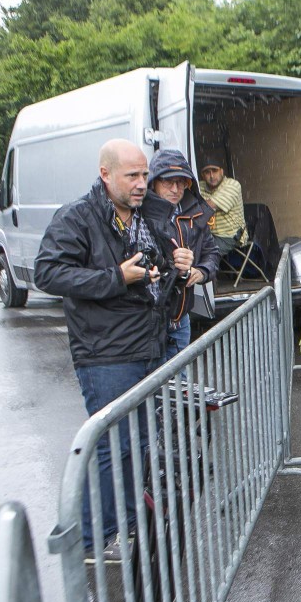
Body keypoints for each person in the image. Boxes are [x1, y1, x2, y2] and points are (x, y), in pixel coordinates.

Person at [34, 139, 193, 561]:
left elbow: (150, 271)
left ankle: (122, 526)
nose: (143, 184)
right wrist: (115, 277)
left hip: (148, 345)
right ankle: (93, 539)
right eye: (133, 176)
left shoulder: (147, 215)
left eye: (145, 175)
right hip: (105, 353)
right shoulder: (77, 216)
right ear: (106, 174)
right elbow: (47, 273)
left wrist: (173, 266)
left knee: (135, 444)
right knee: (111, 446)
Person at [148, 149, 220, 359]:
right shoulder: (140, 213)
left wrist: (201, 271)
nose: (175, 189)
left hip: (181, 319)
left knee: (180, 387)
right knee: (151, 386)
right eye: (167, 182)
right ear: (154, 182)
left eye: (181, 182)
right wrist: (173, 264)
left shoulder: (195, 212)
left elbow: (212, 253)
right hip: (150, 323)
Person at [199, 160, 246, 255]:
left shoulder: (232, 185)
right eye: (207, 172)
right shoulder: (199, 185)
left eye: (215, 171)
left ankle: (204, 269)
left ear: (221, 171)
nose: (212, 176)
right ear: (202, 175)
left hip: (229, 235)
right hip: (207, 235)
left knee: (204, 255)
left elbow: (209, 206)